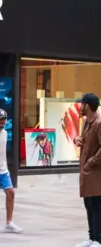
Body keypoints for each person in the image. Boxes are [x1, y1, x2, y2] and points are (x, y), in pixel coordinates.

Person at [74, 93, 101, 247]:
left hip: (96, 171)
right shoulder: (87, 121)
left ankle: (98, 239)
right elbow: (84, 139)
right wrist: (76, 139)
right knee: (88, 204)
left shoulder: (99, 122)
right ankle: (91, 237)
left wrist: (91, 162)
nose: (80, 107)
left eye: (82, 104)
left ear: (88, 106)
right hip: (86, 171)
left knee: (97, 205)